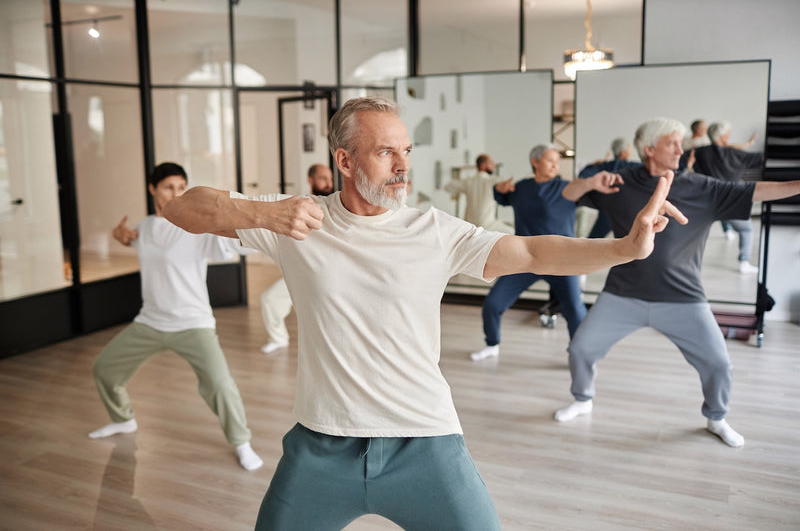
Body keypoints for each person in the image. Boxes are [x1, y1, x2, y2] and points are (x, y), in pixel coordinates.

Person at [163, 97, 685, 530]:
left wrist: (623, 248)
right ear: (344, 161)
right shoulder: (295, 219)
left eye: (406, 151)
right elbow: (182, 208)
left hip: (425, 440)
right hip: (321, 442)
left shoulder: (433, 231)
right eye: (386, 152)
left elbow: (528, 252)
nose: (403, 166)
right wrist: (261, 212)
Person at [554, 117, 800, 448]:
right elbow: (568, 194)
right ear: (649, 149)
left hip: (683, 298)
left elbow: (756, 191)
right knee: (581, 348)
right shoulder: (619, 183)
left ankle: (716, 418)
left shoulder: (703, 187)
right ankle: (583, 399)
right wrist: (589, 182)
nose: (680, 149)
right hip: (623, 294)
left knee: (718, 363)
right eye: (673, 142)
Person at [88, 162, 264, 472]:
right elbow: (132, 239)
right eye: (169, 186)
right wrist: (121, 236)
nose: (176, 193)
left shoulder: (196, 228)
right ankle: (123, 420)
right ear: (152, 189)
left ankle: (241, 442)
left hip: (193, 324)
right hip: (151, 322)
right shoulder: (144, 227)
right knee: (105, 369)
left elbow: (233, 243)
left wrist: (264, 225)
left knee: (221, 385)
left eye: (182, 187)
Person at [470, 143, 624, 361]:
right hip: (524, 260)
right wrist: (499, 189)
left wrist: (593, 180)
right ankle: (492, 344)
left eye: (557, 162)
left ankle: (580, 354)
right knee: (493, 304)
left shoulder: (566, 188)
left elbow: (585, 189)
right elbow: (500, 196)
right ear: (535, 162)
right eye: (550, 160)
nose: (555, 165)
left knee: (574, 311)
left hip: (562, 261)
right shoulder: (521, 188)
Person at [260, 163, 334, 354]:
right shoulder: (297, 204)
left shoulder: (338, 205)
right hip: (302, 270)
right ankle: (278, 338)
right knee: (269, 300)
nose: (328, 183)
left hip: (330, 272)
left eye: (330, 179)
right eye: (322, 178)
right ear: (310, 180)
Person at [687, 121, 764, 274]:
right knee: (747, 230)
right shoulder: (734, 154)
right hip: (730, 200)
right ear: (723, 136)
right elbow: (761, 159)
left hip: (704, 199)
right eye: (727, 133)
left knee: (694, 233)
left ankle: (688, 262)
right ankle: (744, 261)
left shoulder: (698, 152)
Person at [578, 137, 643, 239]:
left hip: (606, 211)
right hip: (627, 211)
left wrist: (592, 165)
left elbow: (583, 176)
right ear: (623, 152)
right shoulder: (634, 167)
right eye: (629, 149)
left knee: (593, 239)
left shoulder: (603, 166)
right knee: (632, 241)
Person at [444, 153, 514, 233]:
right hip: (488, 226)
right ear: (483, 165)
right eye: (491, 163)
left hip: (470, 227)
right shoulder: (493, 180)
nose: (494, 166)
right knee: (514, 232)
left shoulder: (468, 181)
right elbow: (500, 186)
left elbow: (447, 187)